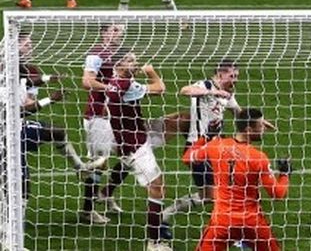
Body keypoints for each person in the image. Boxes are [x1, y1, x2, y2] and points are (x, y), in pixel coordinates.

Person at [183, 108, 291, 251]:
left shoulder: (216, 146)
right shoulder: (258, 158)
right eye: (260, 126)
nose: (264, 128)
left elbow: (187, 158)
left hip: (223, 221)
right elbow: (278, 193)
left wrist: (206, 137)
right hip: (252, 222)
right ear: (248, 129)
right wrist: (285, 174)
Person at [18, 32, 105, 204]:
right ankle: (10, 226)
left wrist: (49, 78)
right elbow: (20, 112)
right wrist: (50, 99)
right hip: (7, 134)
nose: (31, 46)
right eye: (26, 43)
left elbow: (26, 81)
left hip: (14, 127)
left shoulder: (15, 69)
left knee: (56, 132)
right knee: (21, 183)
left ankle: (80, 167)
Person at [162, 60, 242, 226]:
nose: (235, 80)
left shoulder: (228, 93)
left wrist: (257, 121)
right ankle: (231, 230)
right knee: (215, 195)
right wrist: (212, 92)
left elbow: (238, 112)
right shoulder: (204, 85)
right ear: (220, 74)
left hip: (217, 149)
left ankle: (169, 212)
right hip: (198, 149)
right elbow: (184, 90)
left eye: (237, 76)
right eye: (232, 76)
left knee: (214, 194)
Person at [106, 53, 171, 251]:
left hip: (131, 138)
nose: (136, 64)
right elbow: (160, 88)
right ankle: (154, 242)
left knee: (177, 120)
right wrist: (151, 72)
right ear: (119, 64)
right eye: (131, 61)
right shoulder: (127, 86)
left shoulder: (114, 82)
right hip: (136, 145)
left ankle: (105, 193)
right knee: (157, 187)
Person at [80, 23, 129, 223]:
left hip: (117, 115)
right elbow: (87, 81)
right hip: (98, 116)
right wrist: (111, 88)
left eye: (121, 30)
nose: (120, 33)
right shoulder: (96, 54)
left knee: (131, 155)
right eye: (115, 30)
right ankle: (87, 210)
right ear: (105, 32)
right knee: (99, 163)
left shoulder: (121, 53)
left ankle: (107, 193)